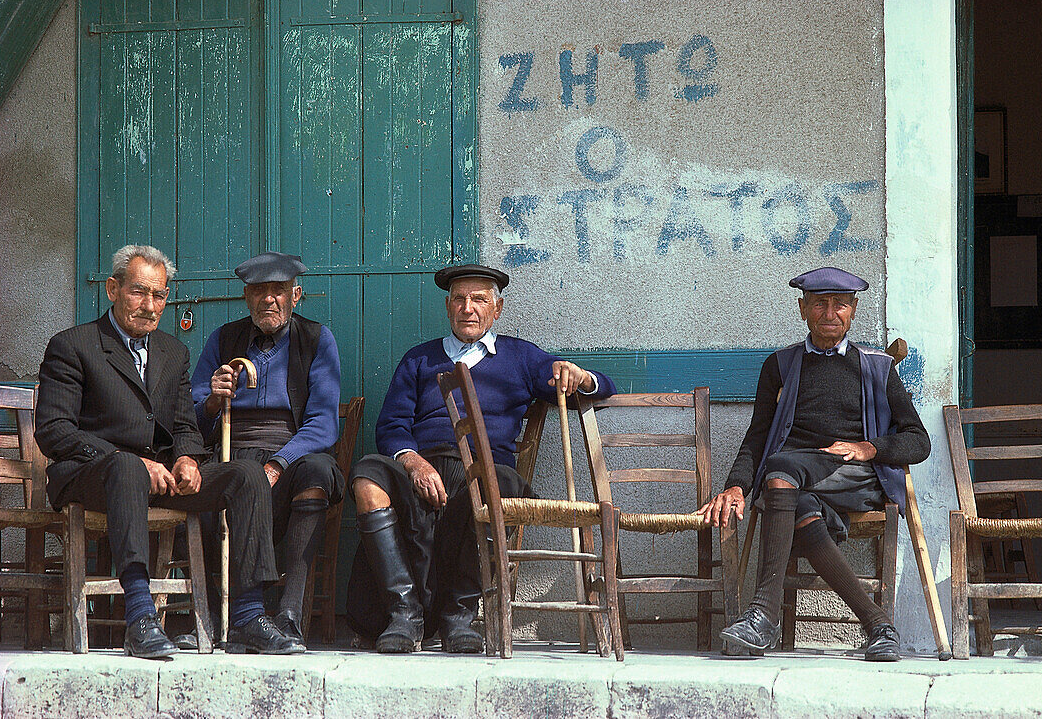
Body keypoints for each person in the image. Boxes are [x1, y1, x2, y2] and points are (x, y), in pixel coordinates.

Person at [35, 245, 300, 658]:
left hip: (155, 477)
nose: (150, 305)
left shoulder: (172, 352)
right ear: (112, 289)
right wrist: (137, 463)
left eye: (159, 295)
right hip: (91, 474)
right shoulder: (73, 345)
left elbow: (183, 426)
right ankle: (140, 618)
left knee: (247, 474)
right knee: (126, 467)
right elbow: (54, 432)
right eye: (139, 292)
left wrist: (187, 458)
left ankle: (248, 615)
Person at [346, 264, 617, 653]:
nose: (467, 308)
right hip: (424, 470)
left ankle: (459, 617)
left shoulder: (520, 357)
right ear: (447, 306)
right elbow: (391, 426)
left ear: (497, 309)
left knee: (504, 485)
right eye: (459, 299)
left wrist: (578, 374)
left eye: (479, 300)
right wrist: (413, 462)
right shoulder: (419, 360)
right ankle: (404, 614)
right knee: (368, 474)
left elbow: (596, 389)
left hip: (486, 471)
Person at [701, 267, 930, 662]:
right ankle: (879, 626)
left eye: (839, 305)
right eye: (819, 304)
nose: (829, 313)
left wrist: (869, 447)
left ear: (853, 310)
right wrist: (737, 485)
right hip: (793, 483)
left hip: (854, 477)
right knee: (793, 497)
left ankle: (762, 615)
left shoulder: (876, 366)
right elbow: (757, 435)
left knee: (779, 471)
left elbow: (918, 440)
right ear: (802, 309)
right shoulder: (781, 365)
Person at [191, 252, 342, 650]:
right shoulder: (223, 339)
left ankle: (289, 615)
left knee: (319, 472)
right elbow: (190, 418)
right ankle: (210, 616)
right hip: (232, 450)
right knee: (200, 482)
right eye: (260, 292)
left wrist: (278, 463)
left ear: (296, 295)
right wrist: (211, 400)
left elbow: (324, 423)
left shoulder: (315, 339)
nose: (269, 300)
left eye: (278, 292)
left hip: (288, 454)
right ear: (246, 297)